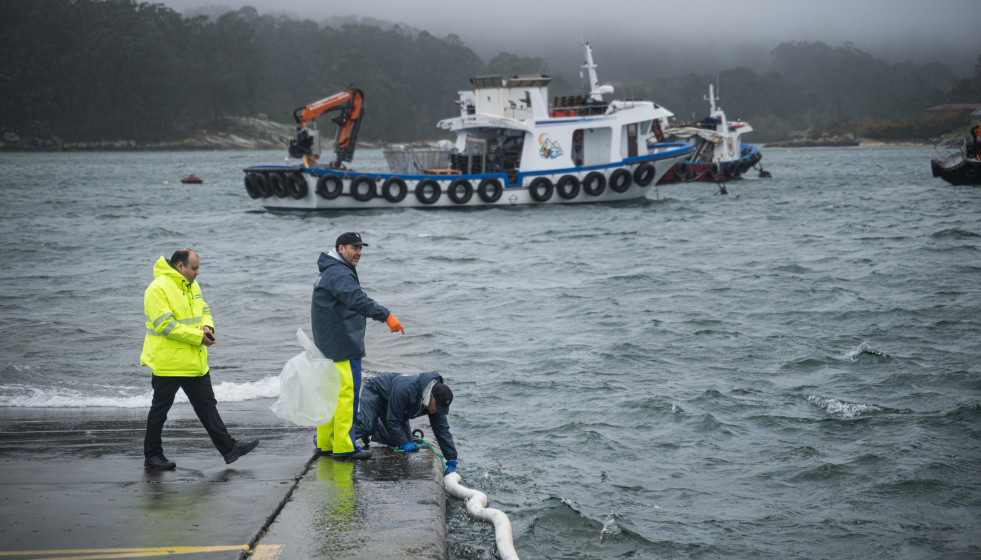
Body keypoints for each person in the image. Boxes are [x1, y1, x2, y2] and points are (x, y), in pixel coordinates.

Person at [141, 249, 259, 470]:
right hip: (169, 363)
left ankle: (229, 448)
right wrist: (198, 337)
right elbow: (165, 325)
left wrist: (207, 326)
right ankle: (152, 456)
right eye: (194, 268)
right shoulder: (157, 288)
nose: (197, 273)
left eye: (198, 268)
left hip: (194, 361)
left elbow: (204, 308)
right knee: (160, 411)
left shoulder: (192, 285)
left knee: (207, 407)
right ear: (180, 266)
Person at [312, 232, 404, 459]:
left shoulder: (330, 271)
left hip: (328, 343)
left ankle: (326, 442)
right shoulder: (339, 273)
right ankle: (344, 447)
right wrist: (387, 316)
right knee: (346, 395)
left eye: (361, 248)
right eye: (354, 248)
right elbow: (357, 299)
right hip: (342, 344)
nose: (359, 252)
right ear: (341, 248)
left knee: (329, 393)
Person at [355, 371, 458, 476]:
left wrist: (451, 458)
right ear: (431, 396)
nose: (438, 410)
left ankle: (373, 422)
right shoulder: (405, 389)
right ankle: (358, 426)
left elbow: (442, 429)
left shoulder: (436, 402)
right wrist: (402, 442)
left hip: (396, 408)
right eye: (438, 407)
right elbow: (393, 420)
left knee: (401, 441)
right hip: (376, 391)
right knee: (367, 426)